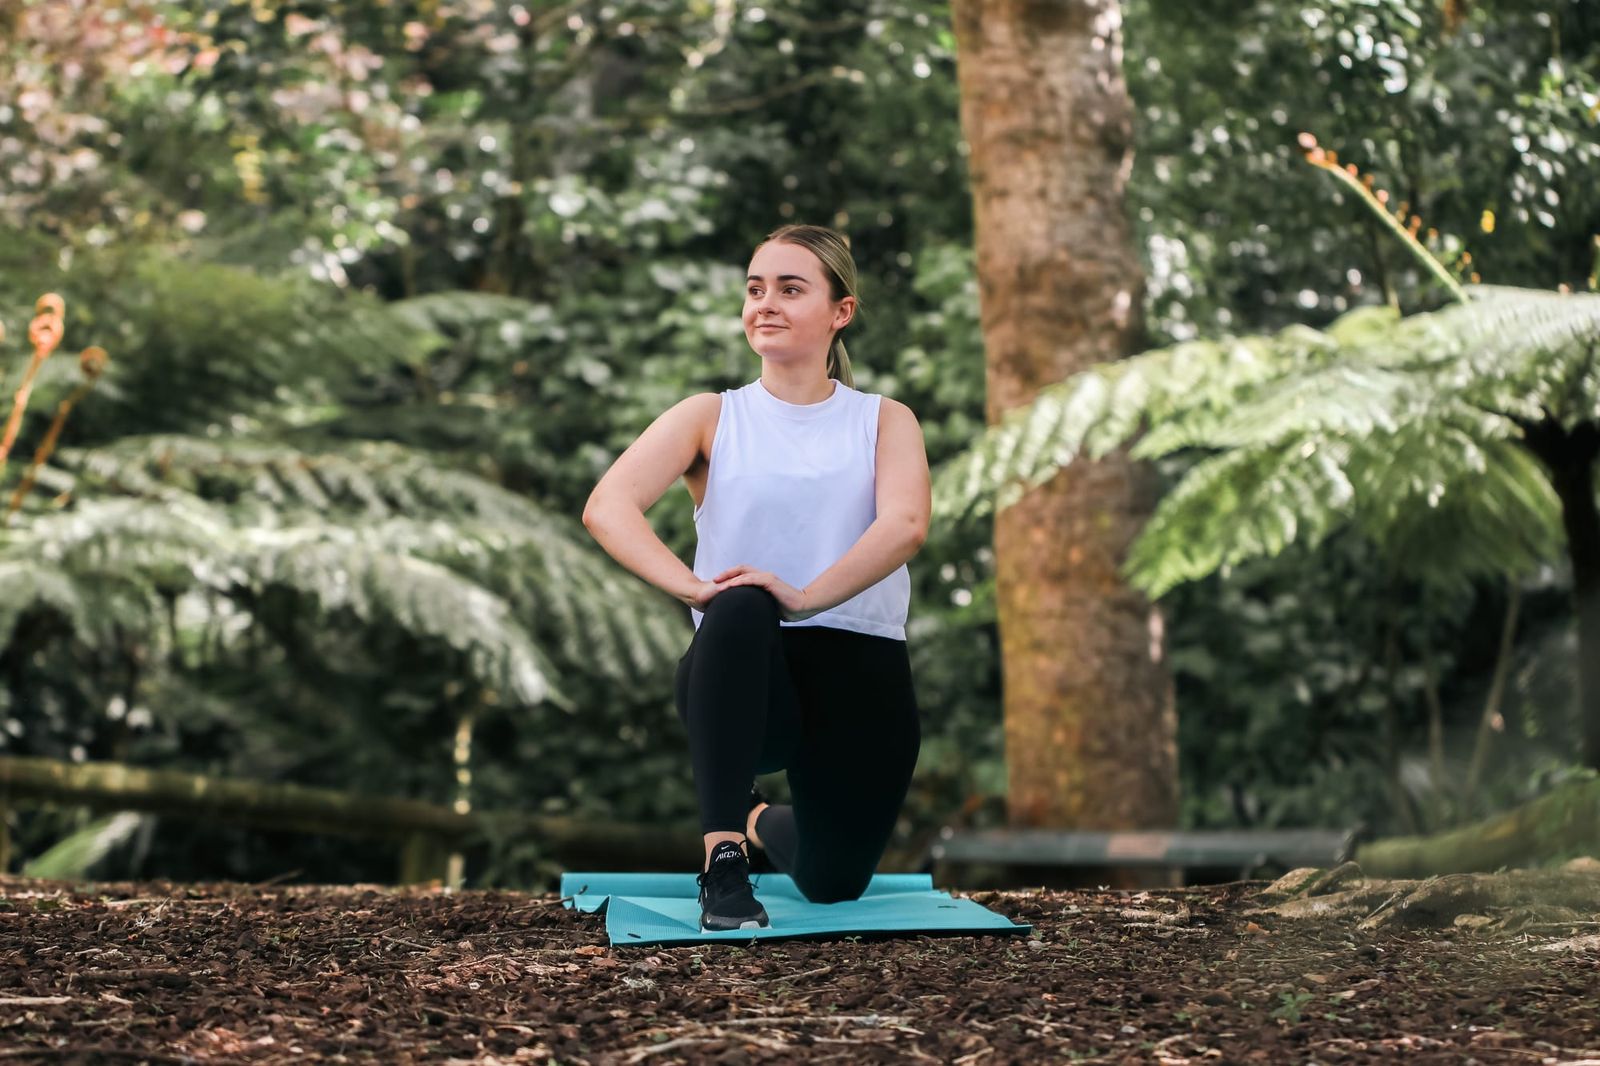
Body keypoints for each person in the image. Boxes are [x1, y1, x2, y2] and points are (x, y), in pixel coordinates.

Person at [582, 223, 930, 932]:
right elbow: (607, 507)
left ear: (841, 311)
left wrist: (804, 597)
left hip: (862, 666)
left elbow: (905, 525)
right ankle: (724, 863)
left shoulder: (885, 420)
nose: (765, 303)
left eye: (790, 289)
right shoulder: (710, 416)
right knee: (741, 601)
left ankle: (758, 817)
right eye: (755, 289)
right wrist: (693, 588)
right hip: (745, 669)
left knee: (834, 883)